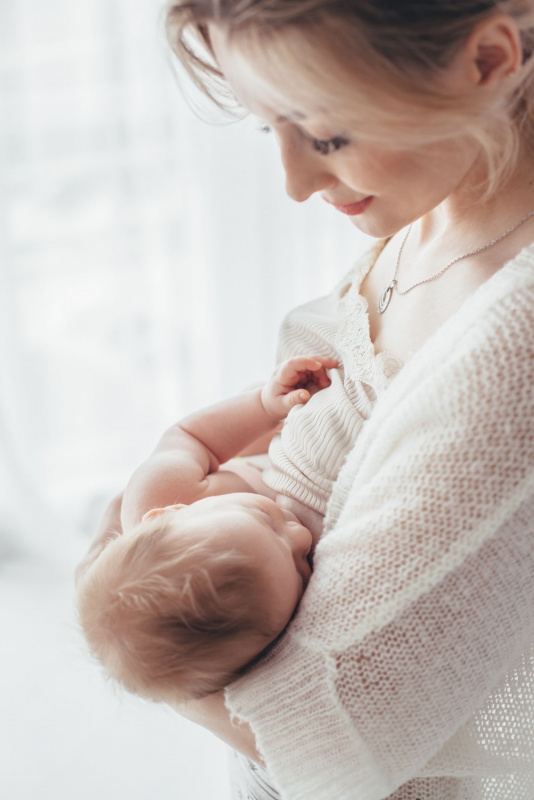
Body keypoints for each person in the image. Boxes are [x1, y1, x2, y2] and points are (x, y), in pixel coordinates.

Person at [79, 1, 534, 798]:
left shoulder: (511, 337)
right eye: (269, 129)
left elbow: (346, 730)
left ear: (489, 61)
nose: (292, 185)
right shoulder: (443, 195)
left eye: (328, 135)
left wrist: (178, 660)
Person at [77, 355, 337, 703]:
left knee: (272, 402)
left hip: (248, 449)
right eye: (302, 568)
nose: (301, 536)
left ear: (168, 513)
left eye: (266, 522)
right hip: (295, 472)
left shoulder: (157, 490)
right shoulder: (256, 616)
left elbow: (192, 435)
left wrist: (264, 405)